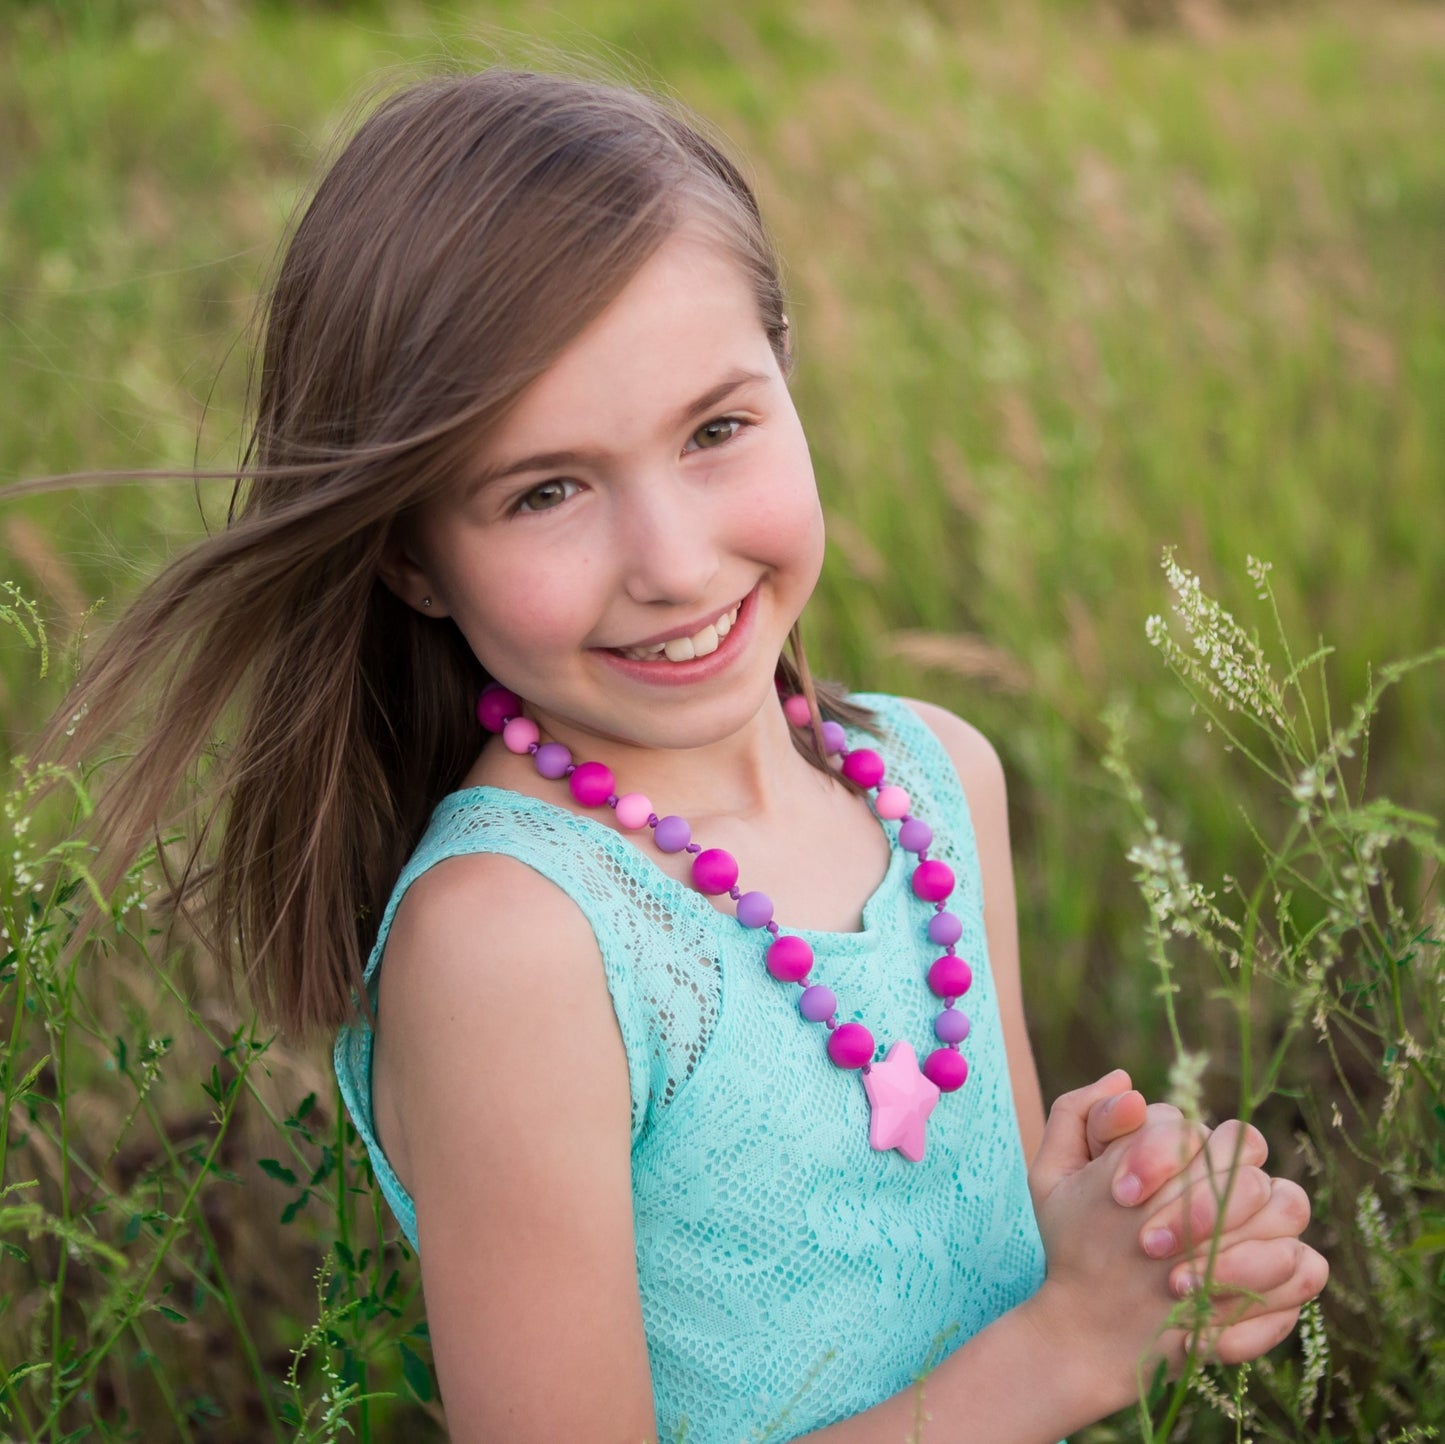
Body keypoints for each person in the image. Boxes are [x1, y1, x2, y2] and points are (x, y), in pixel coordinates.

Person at [32, 69, 1326, 1443]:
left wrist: (1114, 1233)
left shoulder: (938, 775)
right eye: (545, 490)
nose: (671, 559)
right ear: (410, 557)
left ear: (787, 377)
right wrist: (1064, 1351)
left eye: (716, 430)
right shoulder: (517, 940)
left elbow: (975, 1272)